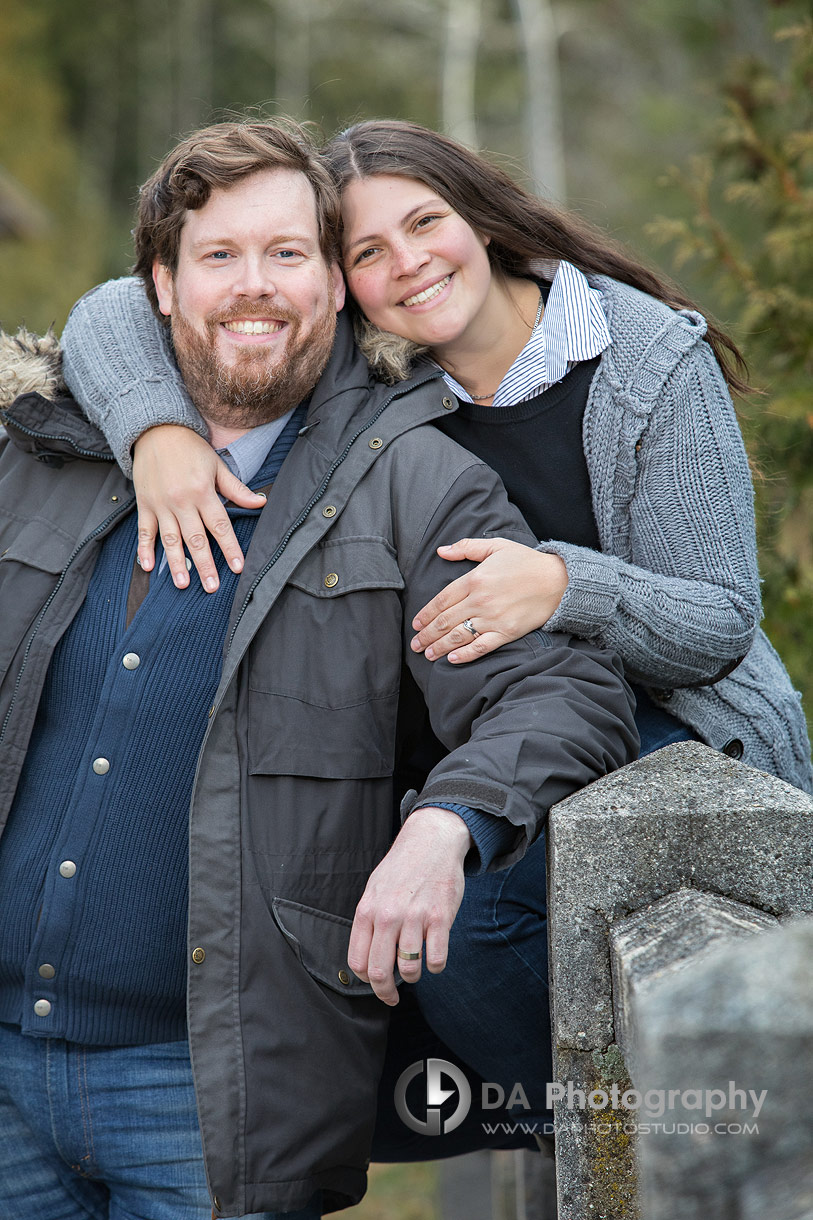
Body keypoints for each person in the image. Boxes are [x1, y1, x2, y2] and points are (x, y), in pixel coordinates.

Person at [0, 119, 638, 1220]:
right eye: (220, 256)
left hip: (215, 1100)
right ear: (159, 283)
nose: (256, 288)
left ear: (339, 287)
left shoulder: (414, 485)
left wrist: (448, 826)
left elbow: (562, 691)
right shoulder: (39, 452)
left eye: (290, 255)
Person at [61, 120, 812, 796]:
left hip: (679, 741)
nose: (411, 263)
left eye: (426, 223)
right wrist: (157, 432)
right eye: (369, 252)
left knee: (479, 931)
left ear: (480, 221)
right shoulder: (371, 354)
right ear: (339, 281)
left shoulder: (647, 365)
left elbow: (721, 621)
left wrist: (561, 584)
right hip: (469, 734)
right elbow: (113, 307)